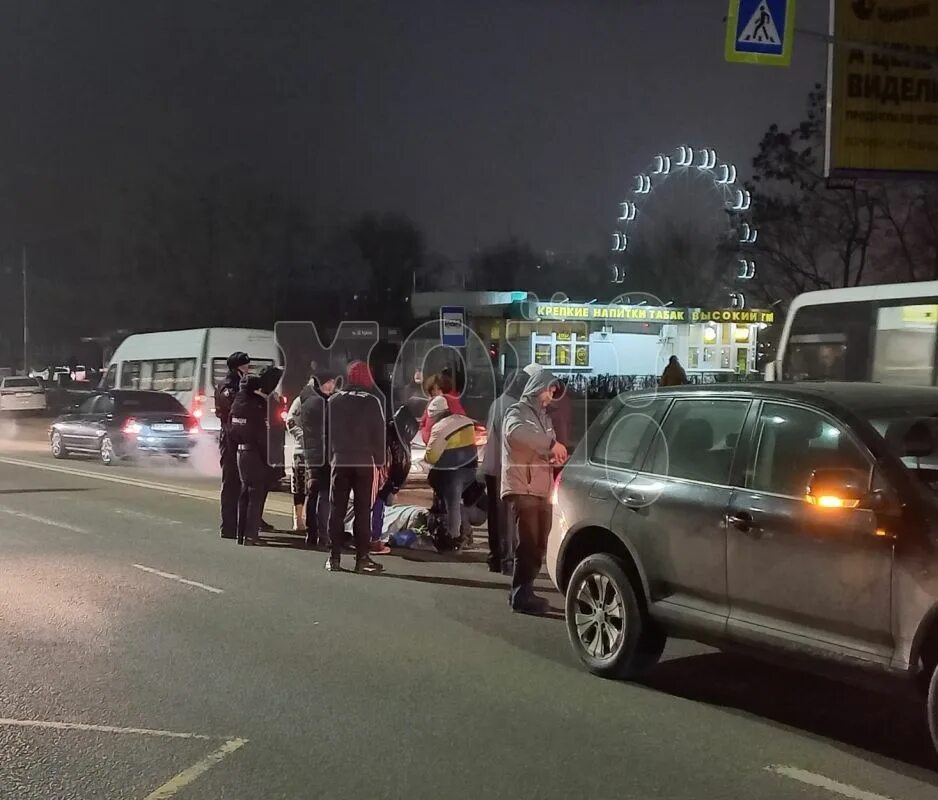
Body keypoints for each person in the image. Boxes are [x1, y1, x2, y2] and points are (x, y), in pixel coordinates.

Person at [502, 368, 568, 614]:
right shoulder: (517, 411)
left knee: (539, 542)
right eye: (549, 388)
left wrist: (553, 456)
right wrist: (550, 445)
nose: (551, 394)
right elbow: (516, 434)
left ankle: (523, 591)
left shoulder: (544, 417)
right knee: (528, 542)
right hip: (523, 485)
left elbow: (538, 445)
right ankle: (522, 595)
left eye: (554, 390)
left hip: (540, 486)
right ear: (537, 386)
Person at [325, 360, 386, 574]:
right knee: (362, 512)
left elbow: (327, 434)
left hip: (340, 460)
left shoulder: (333, 400)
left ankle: (333, 558)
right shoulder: (372, 401)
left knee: (337, 509)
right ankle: (362, 559)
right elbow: (379, 434)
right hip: (363, 462)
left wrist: (329, 457)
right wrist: (380, 462)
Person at [229, 366, 283, 545]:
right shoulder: (259, 405)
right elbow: (263, 434)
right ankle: (251, 536)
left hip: (241, 452)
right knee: (256, 495)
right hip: (256, 454)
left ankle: (241, 533)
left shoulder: (238, 402)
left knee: (245, 493)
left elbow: (231, 429)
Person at [481, 369, 525, 574]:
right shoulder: (513, 407)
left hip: (492, 466)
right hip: (504, 468)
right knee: (506, 517)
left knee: (495, 516)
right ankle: (506, 560)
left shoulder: (497, 402)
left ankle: (495, 557)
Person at [424, 395, 479, 549]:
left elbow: (431, 456)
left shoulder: (440, 427)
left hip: (450, 473)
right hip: (470, 470)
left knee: (452, 505)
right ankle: (466, 533)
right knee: (456, 504)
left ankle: (454, 538)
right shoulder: (466, 421)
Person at [298, 369, 337, 549]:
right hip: (324, 455)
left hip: (312, 454)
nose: (332, 386)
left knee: (312, 493)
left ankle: (311, 533)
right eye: (328, 383)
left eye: (333, 383)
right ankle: (323, 535)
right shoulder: (321, 403)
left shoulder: (307, 400)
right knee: (323, 494)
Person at [215, 351, 251, 540]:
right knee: (231, 482)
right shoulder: (228, 386)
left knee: (245, 481)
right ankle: (228, 526)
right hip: (230, 436)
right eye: (245, 366)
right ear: (237, 367)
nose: (248, 369)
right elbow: (234, 406)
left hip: (240, 436)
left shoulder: (239, 383)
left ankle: (246, 521)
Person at [418, 372, 466, 445]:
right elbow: (423, 421)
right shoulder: (432, 401)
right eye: (433, 390)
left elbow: (460, 420)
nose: (435, 392)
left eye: (439, 389)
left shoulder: (450, 401)